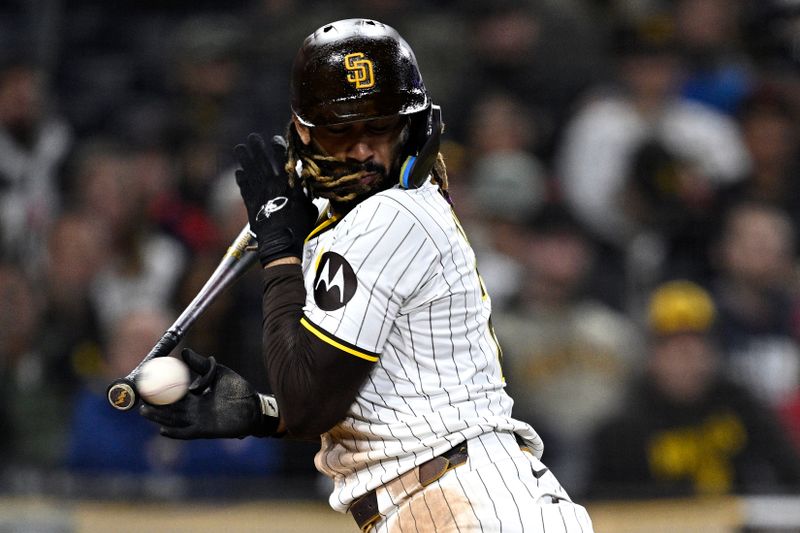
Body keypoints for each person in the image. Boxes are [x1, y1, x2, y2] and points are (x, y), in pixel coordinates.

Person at [140, 18, 593, 532]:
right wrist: (259, 414)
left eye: (378, 127)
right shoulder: (361, 220)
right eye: (342, 130)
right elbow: (359, 392)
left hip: (473, 502)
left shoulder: (392, 216)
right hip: (447, 496)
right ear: (305, 133)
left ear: (412, 125)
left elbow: (308, 404)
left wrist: (279, 252)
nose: (362, 150)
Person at [587, 280, 800, 499]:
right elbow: (603, 508)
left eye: (696, 350)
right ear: (652, 357)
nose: (687, 363)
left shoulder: (738, 404)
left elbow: (790, 471)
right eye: (675, 351)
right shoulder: (624, 425)